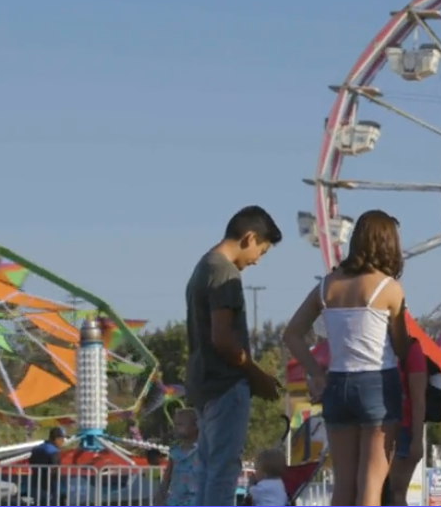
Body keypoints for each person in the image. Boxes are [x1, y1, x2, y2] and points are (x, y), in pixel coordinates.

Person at [284, 209, 409, 506]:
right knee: (371, 485)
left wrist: (316, 373)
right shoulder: (389, 288)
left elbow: (292, 334)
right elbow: (402, 347)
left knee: (343, 484)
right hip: (378, 382)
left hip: (337, 385)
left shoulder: (327, 286)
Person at [185, 205, 283, 505]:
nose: (256, 261)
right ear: (249, 238)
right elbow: (223, 339)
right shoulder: (224, 272)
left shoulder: (203, 266)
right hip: (226, 384)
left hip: (204, 383)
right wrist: (258, 376)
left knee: (208, 468)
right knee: (224, 469)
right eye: (261, 252)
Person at [386, 337, 428, 506]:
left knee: (394, 494)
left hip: (402, 432)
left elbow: (419, 400)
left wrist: (417, 440)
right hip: (375, 429)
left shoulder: (410, 348)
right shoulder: (372, 345)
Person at [158, 409, 200, 506]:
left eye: (180, 425)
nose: (175, 428)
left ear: (196, 426)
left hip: (196, 500)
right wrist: (161, 493)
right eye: (175, 424)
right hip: (175, 500)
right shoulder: (175, 452)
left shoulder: (202, 451)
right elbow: (167, 477)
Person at [28, 426, 67, 505]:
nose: (62, 442)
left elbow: (31, 462)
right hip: (49, 485)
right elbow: (55, 467)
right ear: (56, 439)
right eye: (62, 439)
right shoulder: (53, 451)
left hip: (36, 482)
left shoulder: (36, 448)